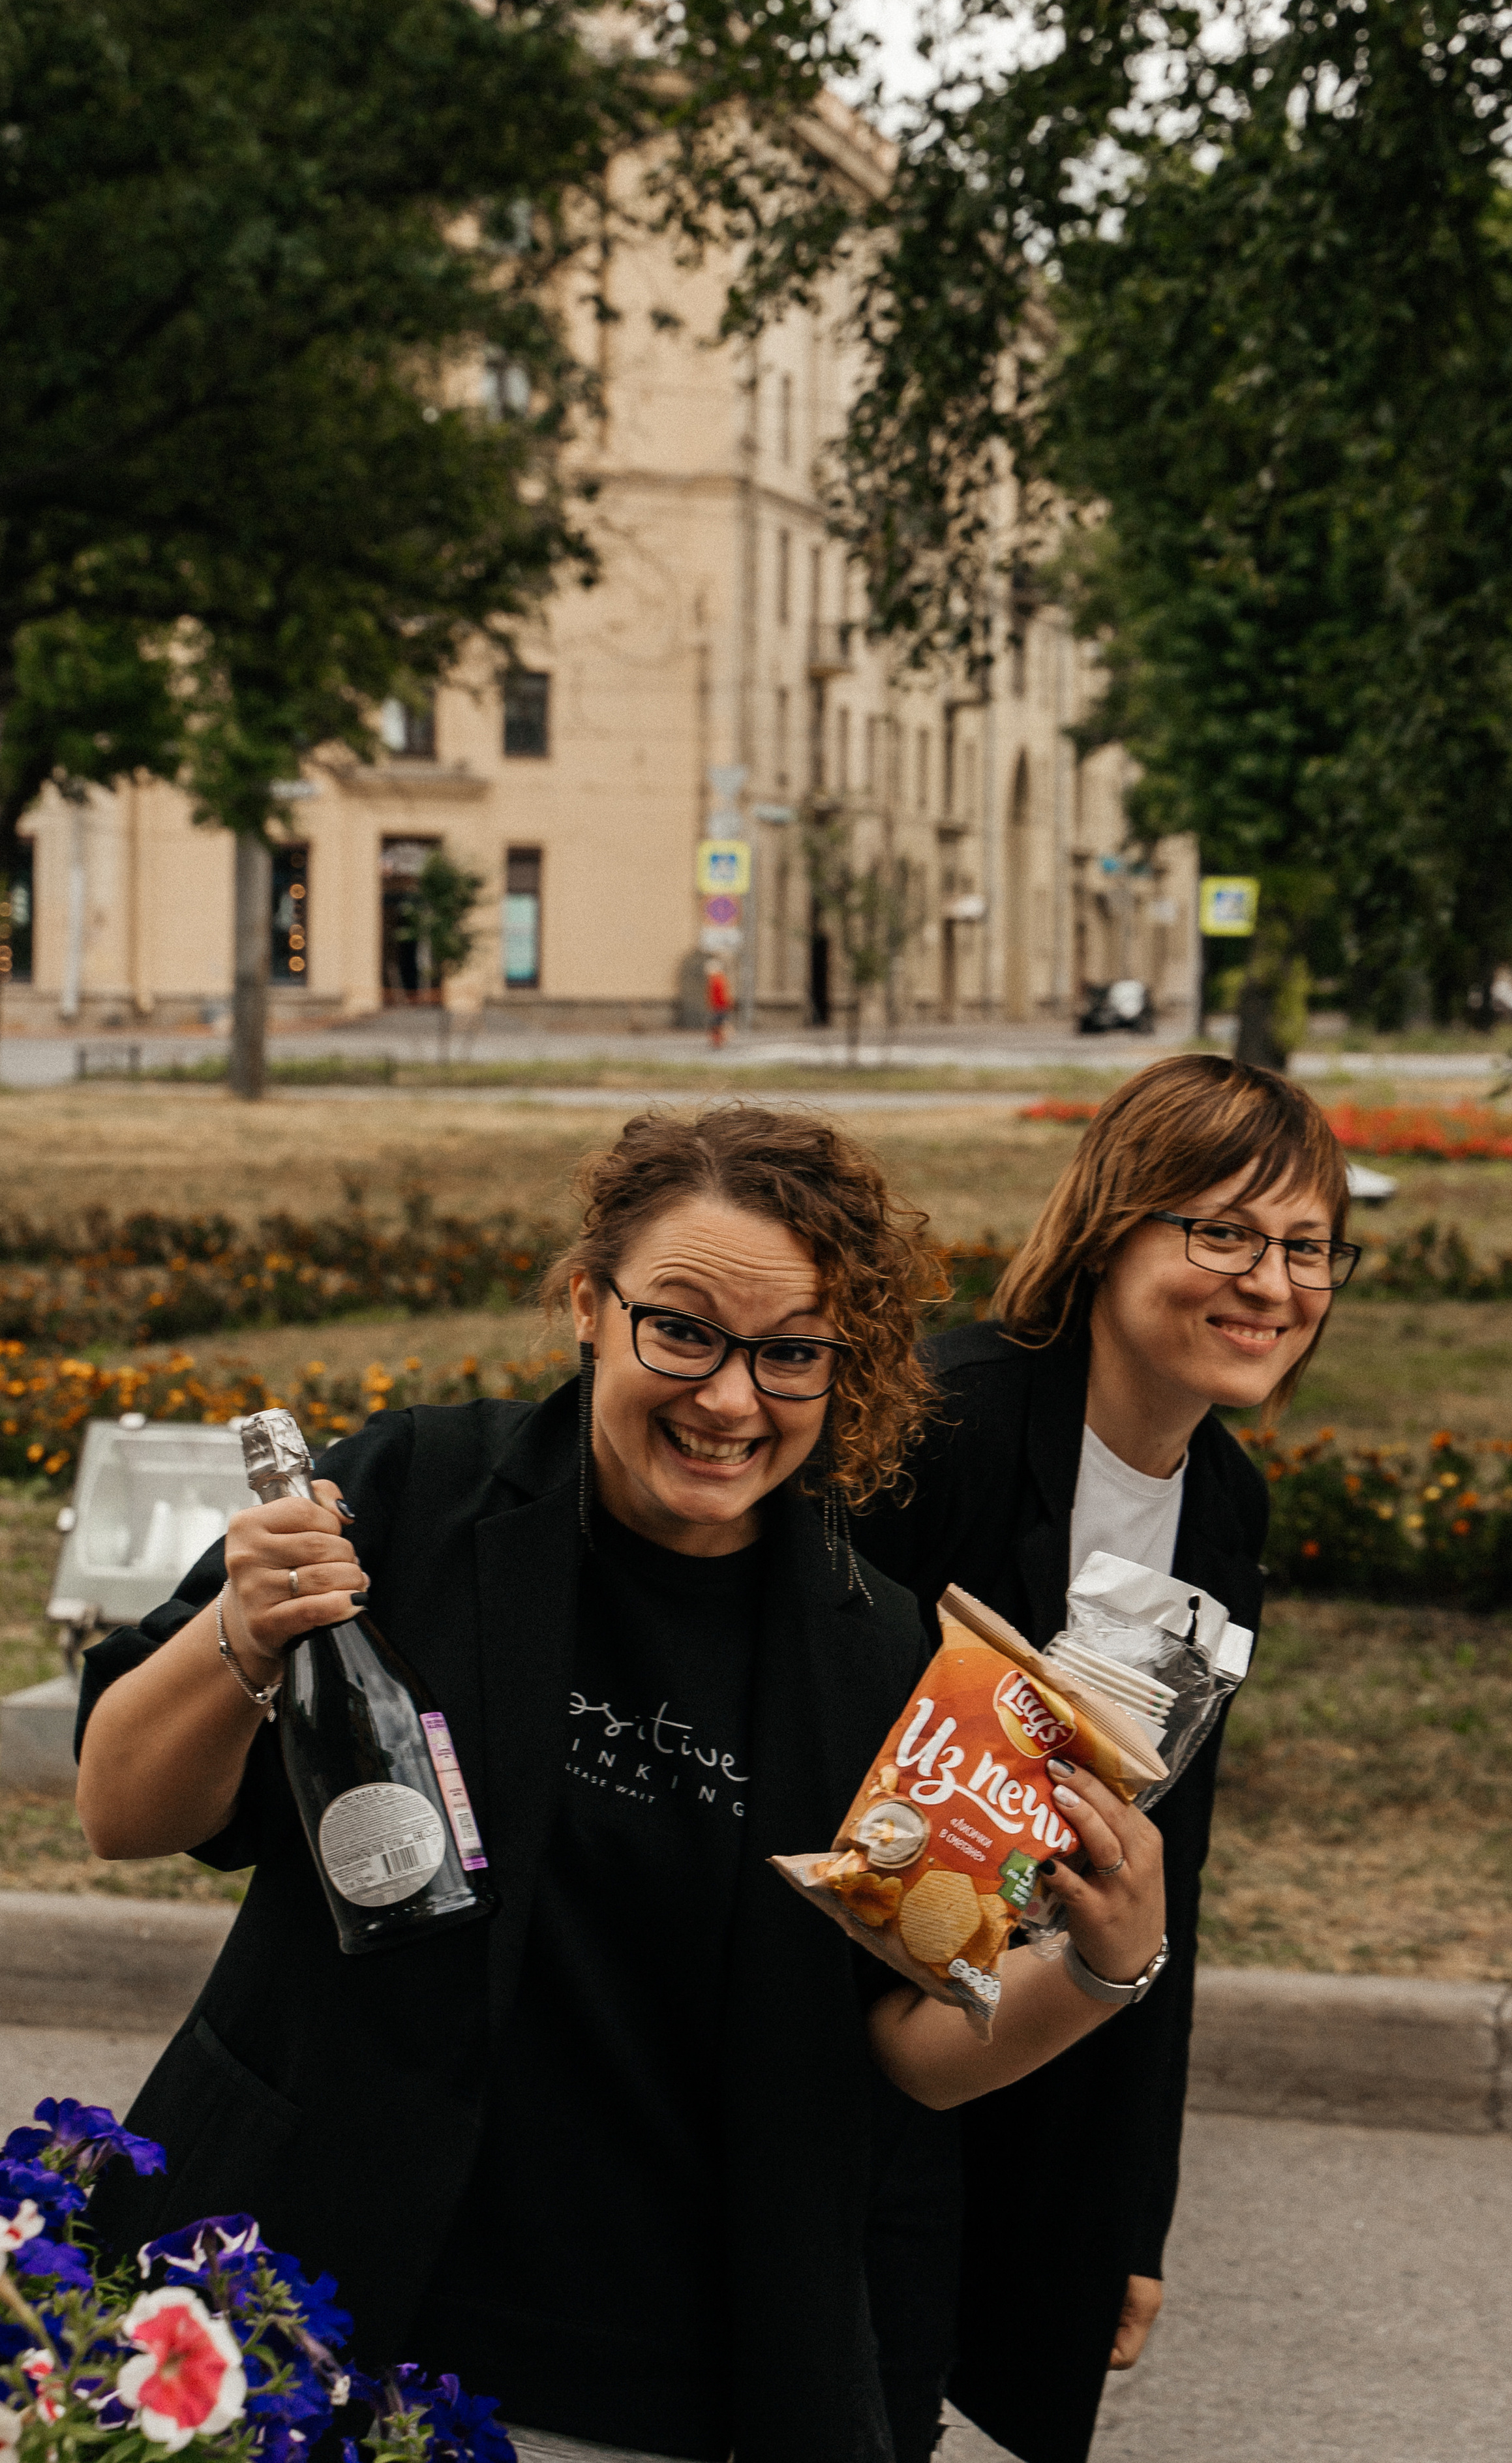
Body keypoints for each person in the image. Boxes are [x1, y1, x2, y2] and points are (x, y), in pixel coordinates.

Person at [75, 1104, 1170, 2463]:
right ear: (591, 1304)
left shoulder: (885, 1657)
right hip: (302, 2303)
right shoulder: (413, 1495)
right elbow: (123, 1811)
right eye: (683, 1330)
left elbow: (906, 2046)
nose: (729, 1399)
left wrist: (1104, 1970)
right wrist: (240, 1636)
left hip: (652, 2381)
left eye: (791, 1353)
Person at [854, 1055, 1355, 2463]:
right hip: (819, 2025)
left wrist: (1131, 2217)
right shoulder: (939, 1429)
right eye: (1223, 1233)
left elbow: (1157, 1872)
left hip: (1002, 2021)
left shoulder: (1224, 1506)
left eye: (1307, 1247)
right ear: (1107, 1228)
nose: (1272, 1285)